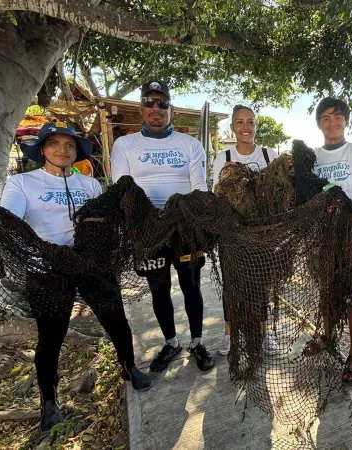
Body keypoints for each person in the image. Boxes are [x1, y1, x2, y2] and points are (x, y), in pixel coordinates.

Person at [0, 121, 152, 433]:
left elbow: (103, 224)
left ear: (77, 151)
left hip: (91, 266)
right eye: (54, 144)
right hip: (46, 270)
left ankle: (129, 367)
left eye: (69, 144)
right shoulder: (22, 183)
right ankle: (49, 399)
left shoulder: (90, 185)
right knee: (51, 336)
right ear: (41, 150)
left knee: (117, 320)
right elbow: (5, 220)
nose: (62, 150)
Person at [110, 80, 215, 373]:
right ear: (141, 108)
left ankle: (197, 342)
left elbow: (199, 186)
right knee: (159, 289)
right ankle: (171, 342)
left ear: (172, 108)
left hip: (184, 229)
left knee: (191, 287)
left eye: (162, 102)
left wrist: (194, 218)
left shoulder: (190, 144)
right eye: (149, 101)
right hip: (147, 232)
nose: (156, 107)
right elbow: (122, 188)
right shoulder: (125, 144)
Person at [313, 97, 352, 382]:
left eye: (337, 116)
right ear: (319, 124)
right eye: (325, 117)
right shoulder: (313, 158)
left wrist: (336, 198)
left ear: (346, 121)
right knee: (326, 289)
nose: (332, 122)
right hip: (321, 237)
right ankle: (327, 336)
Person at [213, 105, 280, 356]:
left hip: (261, 234)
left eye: (250, 122)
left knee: (261, 285)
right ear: (232, 127)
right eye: (239, 122)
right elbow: (217, 195)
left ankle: (265, 333)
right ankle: (229, 333)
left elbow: (279, 192)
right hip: (232, 234)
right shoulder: (223, 158)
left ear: (255, 126)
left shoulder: (269, 155)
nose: (245, 127)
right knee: (231, 284)